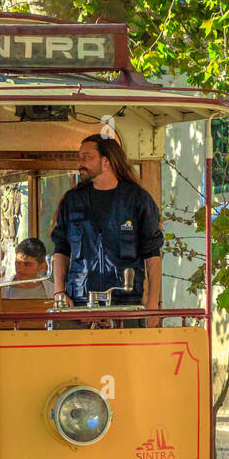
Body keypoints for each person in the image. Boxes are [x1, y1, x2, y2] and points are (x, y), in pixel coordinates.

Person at [50, 133, 163, 324]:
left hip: (125, 305)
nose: (80, 163)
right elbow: (61, 249)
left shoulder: (137, 199)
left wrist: (152, 304)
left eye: (87, 157)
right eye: (79, 157)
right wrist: (59, 293)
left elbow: (152, 253)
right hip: (79, 305)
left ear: (106, 161)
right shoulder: (72, 200)